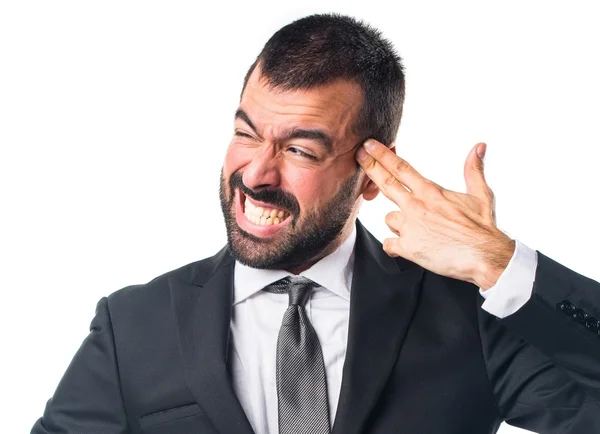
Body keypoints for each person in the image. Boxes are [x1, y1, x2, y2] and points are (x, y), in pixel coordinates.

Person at [31, 13, 600, 434]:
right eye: (246, 133)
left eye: (300, 151)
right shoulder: (133, 325)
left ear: (371, 175)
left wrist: (499, 264)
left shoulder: (462, 316)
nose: (255, 173)